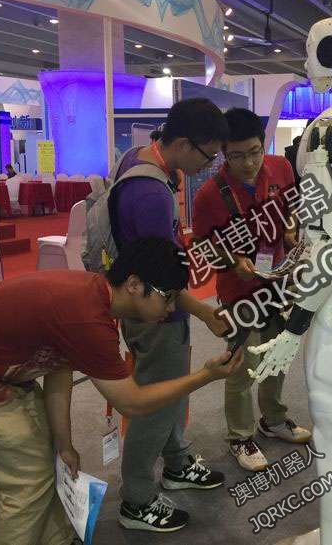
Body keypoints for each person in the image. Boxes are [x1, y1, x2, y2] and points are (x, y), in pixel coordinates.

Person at [0, 237, 244, 545]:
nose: (171, 308)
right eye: (167, 296)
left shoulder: (91, 296)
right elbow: (133, 403)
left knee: (47, 463)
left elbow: (59, 372)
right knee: (29, 481)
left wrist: (64, 444)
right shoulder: (86, 318)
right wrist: (206, 375)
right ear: (133, 284)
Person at [111, 98, 231, 533]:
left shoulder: (138, 158)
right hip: (155, 313)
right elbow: (158, 278)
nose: (209, 165)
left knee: (172, 395)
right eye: (208, 155)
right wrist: (203, 311)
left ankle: (177, 463)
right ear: (182, 143)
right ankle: (137, 500)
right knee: (155, 405)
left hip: (155, 305)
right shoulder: (151, 195)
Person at [192, 108, 310, 472]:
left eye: (255, 151)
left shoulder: (281, 168)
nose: (249, 163)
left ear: (264, 144)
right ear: (223, 153)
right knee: (242, 365)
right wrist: (233, 261)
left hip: (279, 282)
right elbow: (204, 249)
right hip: (239, 291)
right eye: (237, 155)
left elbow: (291, 208)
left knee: (279, 354)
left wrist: (290, 229)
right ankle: (240, 436)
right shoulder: (209, 196)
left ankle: (273, 419)